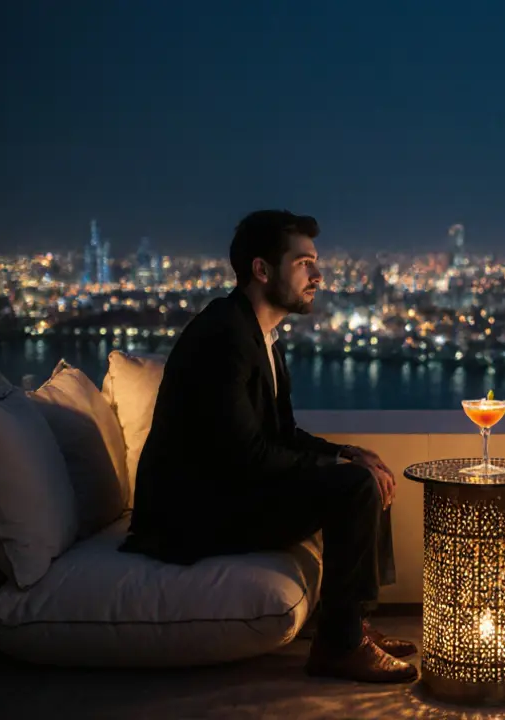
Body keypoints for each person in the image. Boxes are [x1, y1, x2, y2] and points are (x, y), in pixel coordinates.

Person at [121, 209, 418, 683]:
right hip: (193, 516)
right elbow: (245, 456)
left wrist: (345, 452)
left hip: (229, 491)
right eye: (304, 263)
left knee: (364, 471)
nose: (317, 276)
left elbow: (280, 435)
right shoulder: (224, 337)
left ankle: (352, 625)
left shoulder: (261, 336)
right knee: (356, 488)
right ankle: (339, 647)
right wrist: (340, 470)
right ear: (262, 270)